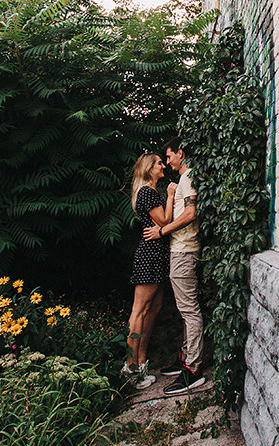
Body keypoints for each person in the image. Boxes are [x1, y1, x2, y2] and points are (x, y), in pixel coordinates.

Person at [143, 137, 207, 395]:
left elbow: (191, 213)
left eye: (169, 156)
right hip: (180, 250)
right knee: (185, 309)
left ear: (181, 153)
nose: (167, 162)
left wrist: (162, 230)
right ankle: (186, 359)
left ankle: (193, 370)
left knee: (189, 310)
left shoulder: (189, 176)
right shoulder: (183, 179)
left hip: (184, 250)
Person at [123, 152, 174, 389]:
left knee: (154, 307)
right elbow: (164, 221)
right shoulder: (146, 192)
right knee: (140, 310)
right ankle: (130, 368)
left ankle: (141, 362)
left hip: (157, 254)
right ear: (148, 169)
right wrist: (172, 196)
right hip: (149, 255)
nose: (163, 166)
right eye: (159, 163)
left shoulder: (152, 192)